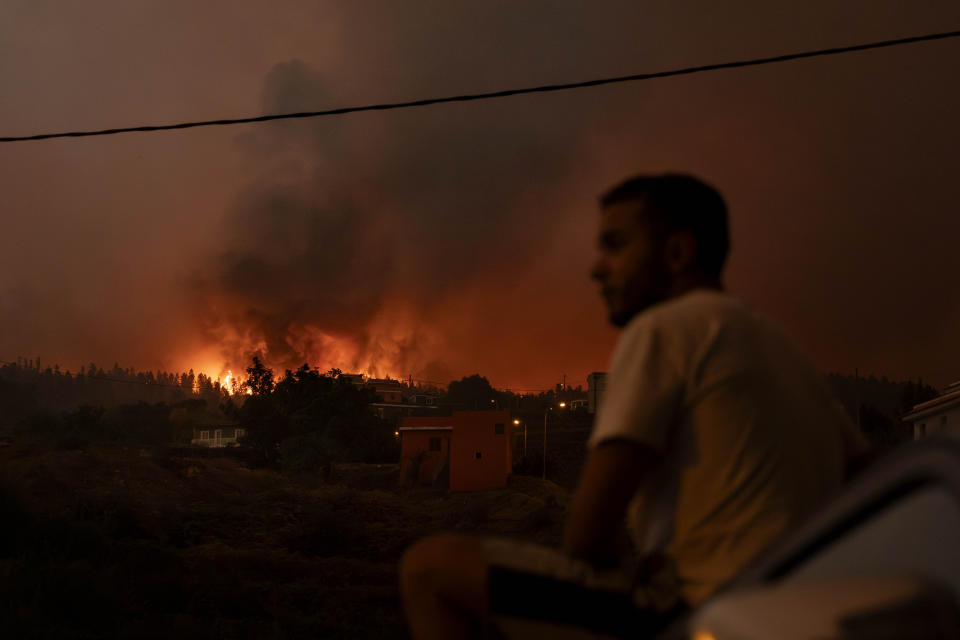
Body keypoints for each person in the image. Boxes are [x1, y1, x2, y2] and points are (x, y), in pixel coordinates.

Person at [400, 173, 867, 639]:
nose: (597, 268)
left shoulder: (665, 329)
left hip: (696, 610)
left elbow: (586, 535)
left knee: (429, 570)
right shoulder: (786, 350)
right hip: (792, 609)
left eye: (615, 246)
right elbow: (870, 473)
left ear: (677, 254)